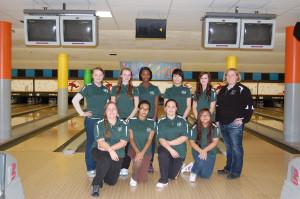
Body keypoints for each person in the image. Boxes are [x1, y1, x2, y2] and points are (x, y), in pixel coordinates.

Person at [216, 68, 254, 180]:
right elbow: (218, 106)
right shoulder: (222, 89)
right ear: (225, 77)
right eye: (228, 75)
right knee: (229, 147)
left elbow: (250, 106)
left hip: (234, 124)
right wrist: (217, 119)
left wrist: (243, 120)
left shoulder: (243, 89)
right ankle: (228, 168)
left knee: (236, 148)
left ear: (237, 77)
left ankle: (236, 171)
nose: (230, 77)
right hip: (223, 123)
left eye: (233, 75)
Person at [72, 67, 110, 178]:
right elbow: (75, 100)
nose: (98, 77)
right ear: (92, 76)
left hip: (103, 121)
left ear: (103, 76)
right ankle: (90, 168)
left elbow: (107, 104)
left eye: (100, 75)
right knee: (91, 144)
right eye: (96, 75)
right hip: (91, 122)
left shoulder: (106, 89)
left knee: (103, 144)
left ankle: (101, 166)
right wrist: (81, 113)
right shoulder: (87, 87)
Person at [91, 102, 128, 197]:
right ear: (105, 112)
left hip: (117, 152)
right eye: (109, 109)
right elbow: (100, 142)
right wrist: (110, 151)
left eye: (114, 109)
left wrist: (110, 150)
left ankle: (101, 169)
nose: (111, 111)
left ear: (117, 111)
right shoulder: (99, 123)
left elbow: (123, 142)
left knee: (111, 181)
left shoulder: (123, 124)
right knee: (105, 158)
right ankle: (96, 184)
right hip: (99, 150)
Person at [111, 67, 139, 176]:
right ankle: (117, 165)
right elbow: (113, 104)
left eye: (129, 75)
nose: (127, 76)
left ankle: (125, 167)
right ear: (121, 76)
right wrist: (118, 117)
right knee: (117, 142)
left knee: (127, 144)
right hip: (117, 119)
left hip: (130, 119)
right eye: (125, 74)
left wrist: (128, 119)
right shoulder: (115, 88)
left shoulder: (134, 89)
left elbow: (136, 106)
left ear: (131, 76)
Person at [156, 99, 189, 187]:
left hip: (179, 151)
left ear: (176, 108)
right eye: (168, 106)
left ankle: (179, 165)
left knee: (172, 176)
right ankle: (163, 180)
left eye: (173, 107)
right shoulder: (161, 122)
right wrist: (170, 149)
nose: (171, 109)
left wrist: (169, 143)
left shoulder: (182, 121)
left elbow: (185, 137)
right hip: (166, 148)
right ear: (165, 108)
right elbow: (160, 139)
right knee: (163, 155)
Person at [137, 67, 161, 172]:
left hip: (152, 118)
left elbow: (156, 104)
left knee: (151, 141)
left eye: (147, 74)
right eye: (143, 74)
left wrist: (154, 117)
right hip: (141, 118)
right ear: (140, 76)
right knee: (141, 140)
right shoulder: (137, 88)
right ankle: (141, 160)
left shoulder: (155, 88)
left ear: (150, 75)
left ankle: (150, 162)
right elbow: (137, 105)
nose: (145, 76)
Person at [127, 100, 156, 186]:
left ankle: (138, 174)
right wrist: (137, 152)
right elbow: (131, 138)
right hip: (133, 149)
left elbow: (150, 140)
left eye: (147, 109)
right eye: (142, 108)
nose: (144, 111)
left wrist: (142, 153)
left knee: (142, 180)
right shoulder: (131, 121)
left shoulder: (152, 123)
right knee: (138, 161)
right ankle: (133, 177)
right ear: (138, 109)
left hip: (146, 151)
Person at [189, 108, 220, 182]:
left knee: (206, 176)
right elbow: (192, 142)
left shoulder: (215, 127)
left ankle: (194, 165)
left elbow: (215, 142)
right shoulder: (194, 127)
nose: (205, 117)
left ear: (210, 117)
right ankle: (193, 172)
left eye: (207, 115)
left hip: (210, 152)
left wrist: (205, 150)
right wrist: (201, 151)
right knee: (201, 161)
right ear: (199, 117)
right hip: (198, 150)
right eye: (202, 115)